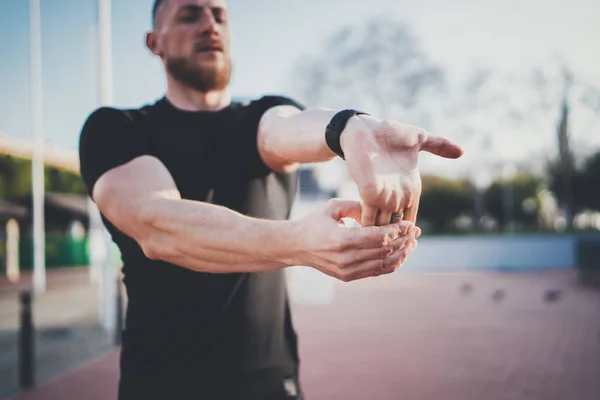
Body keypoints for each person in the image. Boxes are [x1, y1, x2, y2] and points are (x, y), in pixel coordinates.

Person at [78, 0, 463, 399]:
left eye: (219, 15)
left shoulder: (260, 116)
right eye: (190, 15)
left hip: (271, 385)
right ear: (154, 42)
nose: (209, 25)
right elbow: (160, 225)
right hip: (159, 386)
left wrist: (348, 126)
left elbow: (287, 129)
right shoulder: (114, 129)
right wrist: (298, 242)